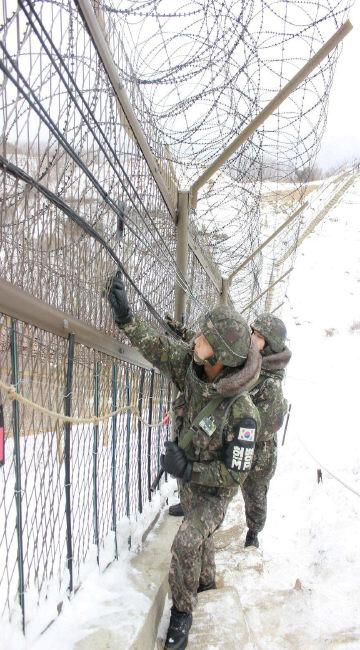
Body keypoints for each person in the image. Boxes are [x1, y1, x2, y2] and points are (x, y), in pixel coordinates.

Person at [108, 273, 261, 650]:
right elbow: (158, 347)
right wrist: (126, 317)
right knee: (202, 543)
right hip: (188, 483)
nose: (197, 340)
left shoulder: (243, 413)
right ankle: (206, 583)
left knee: (188, 541)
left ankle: (182, 611)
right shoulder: (193, 369)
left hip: (213, 492)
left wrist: (190, 469)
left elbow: (235, 474)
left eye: (206, 339)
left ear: (221, 356)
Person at [242, 313, 291, 548]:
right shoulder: (250, 362)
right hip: (239, 445)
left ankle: (253, 533)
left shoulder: (271, 383)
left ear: (269, 345)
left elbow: (264, 428)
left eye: (258, 336)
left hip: (259, 457)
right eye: (252, 332)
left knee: (255, 496)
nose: (252, 337)